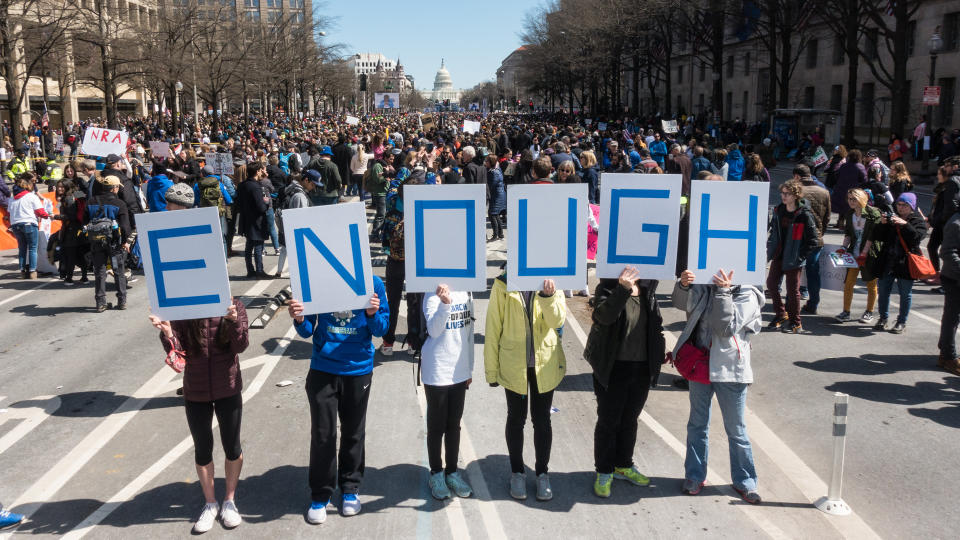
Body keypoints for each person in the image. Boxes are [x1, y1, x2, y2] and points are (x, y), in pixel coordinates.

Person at [287, 276, 389, 523]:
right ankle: (321, 494)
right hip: (323, 368)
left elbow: (382, 329)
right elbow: (306, 330)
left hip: (358, 369)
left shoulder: (373, 284)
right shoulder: (317, 277)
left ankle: (350, 488)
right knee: (323, 434)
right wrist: (299, 317)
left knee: (354, 432)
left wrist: (373, 313)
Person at [151, 296, 249, 533]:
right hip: (195, 390)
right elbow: (178, 356)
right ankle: (210, 503)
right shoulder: (185, 309)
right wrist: (167, 333)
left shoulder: (234, 305)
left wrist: (234, 321)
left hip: (228, 386)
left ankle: (229, 500)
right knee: (202, 449)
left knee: (232, 447)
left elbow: (242, 345)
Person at [672, 267, 764, 504]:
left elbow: (725, 328)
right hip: (700, 366)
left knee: (737, 429)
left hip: (731, 370)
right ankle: (694, 476)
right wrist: (683, 285)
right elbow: (681, 304)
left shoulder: (747, 292)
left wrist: (723, 293)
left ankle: (745, 481)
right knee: (697, 425)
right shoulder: (704, 284)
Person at [583, 266, 664, 498]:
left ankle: (623, 464)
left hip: (641, 368)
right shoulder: (607, 287)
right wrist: (622, 289)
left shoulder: (648, 289)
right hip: (613, 367)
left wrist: (658, 355)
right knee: (609, 421)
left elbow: (655, 326)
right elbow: (603, 316)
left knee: (630, 420)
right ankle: (604, 471)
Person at [484, 273, 566, 502]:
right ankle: (517, 472)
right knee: (516, 418)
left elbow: (558, 321)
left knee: (542, 420)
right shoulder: (502, 283)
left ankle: (542, 473)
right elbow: (492, 329)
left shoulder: (552, 278)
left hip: (544, 364)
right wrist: (491, 370)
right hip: (514, 365)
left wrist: (548, 297)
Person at [422, 283, 475, 500]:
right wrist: (445, 304)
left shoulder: (466, 290)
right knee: (437, 426)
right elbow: (434, 330)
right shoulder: (431, 292)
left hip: (459, 369)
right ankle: (436, 473)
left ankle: (452, 472)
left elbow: (469, 332)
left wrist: (469, 367)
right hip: (437, 368)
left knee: (454, 425)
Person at [765, 179, 818, 333]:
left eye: (787, 194)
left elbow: (812, 240)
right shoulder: (778, 210)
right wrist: (770, 246)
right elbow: (774, 232)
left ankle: (796, 323)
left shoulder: (803, 214)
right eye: (782, 193)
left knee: (793, 291)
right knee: (771, 284)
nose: (783, 196)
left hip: (794, 258)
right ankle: (781, 314)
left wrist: (800, 256)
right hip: (779, 255)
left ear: (795, 195)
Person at [872, 192, 927, 333]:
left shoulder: (918, 221)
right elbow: (878, 236)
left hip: (906, 263)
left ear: (912, 207)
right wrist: (883, 224)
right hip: (888, 261)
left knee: (905, 294)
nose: (901, 208)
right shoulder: (892, 217)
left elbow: (916, 238)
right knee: (883, 291)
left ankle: (902, 321)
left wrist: (905, 224)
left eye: (905, 205)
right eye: (899, 204)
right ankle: (883, 318)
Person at [85, 174, 135, 311]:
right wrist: (125, 242)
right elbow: (125, 227)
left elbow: (84, 222)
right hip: (114, 243)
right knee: (118, 271)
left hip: (96, 242)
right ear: (114, 188)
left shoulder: (91, 202)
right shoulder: (119, 204)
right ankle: (122, 301)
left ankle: (100, 302)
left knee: (100, 272)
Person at [835, 189, 882, 324]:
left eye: (853, 199)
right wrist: (843, 248)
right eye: (849, 199)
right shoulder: (850, 214)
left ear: (861, 198)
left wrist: (864, 253)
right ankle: (846, 311)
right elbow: (848, 233)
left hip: (870, 253)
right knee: (848, 283)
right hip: (854, 253)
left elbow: (872, 236)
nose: (850, 202)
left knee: (871, 284)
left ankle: (869, 312)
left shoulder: (873, 213)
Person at [795, 164, 831, 314]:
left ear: (797, 176)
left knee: (794, 270)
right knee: (813, 271)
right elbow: (827, 217)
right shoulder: (824, 192)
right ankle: (813, 302)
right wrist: (820, 232)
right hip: (816, 237)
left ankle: (792, 303)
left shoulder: (797, 191)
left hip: (797, 237)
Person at [6, 173, 49, 279]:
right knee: (32, 248)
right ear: (27, 186)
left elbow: (8, 213)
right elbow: (40, 212)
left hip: (15, 225)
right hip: (29, 223)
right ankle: (32, 271)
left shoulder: (12, 199)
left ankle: (22, 270)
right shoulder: (31, 196)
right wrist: (48, 215)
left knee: (22, 248)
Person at [236, 162, 271, 279]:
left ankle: (250, 270)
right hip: (257, 220)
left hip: (246, 218)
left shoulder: (242, 185)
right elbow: (260, 207)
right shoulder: (255, 186)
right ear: (257, 171)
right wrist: (266, 203)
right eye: (261, 170)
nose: (262, 172)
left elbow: (238, 203)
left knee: (249, 246)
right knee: (258, 246)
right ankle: (259, 271)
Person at [928, 164, 960, 287]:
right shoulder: (941, 188)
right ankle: (937, 273)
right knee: (934, 247)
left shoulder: (948, 186)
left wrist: (935, 221)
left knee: (941, 249)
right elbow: (936, 207)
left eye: (939, 174)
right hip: (940, 222)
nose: (937, 176)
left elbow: (946, 208)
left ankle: (938, 275)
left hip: (942, 223)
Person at [938, 208, 960, 375]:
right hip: (954, 278)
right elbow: (947, 252)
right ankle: (948, 357)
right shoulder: (956, 223)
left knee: (952, 318)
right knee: (952, 318)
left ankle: (945, 351)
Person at [830, 149, 867, 230]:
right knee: (851, 207)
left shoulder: (844, 166)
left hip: (841, 189)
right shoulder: (860, 166)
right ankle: (849, 225)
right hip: (854, 190)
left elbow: (836, 175)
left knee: (841, 207)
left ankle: (840, 223)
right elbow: (864, 180)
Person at [486, 154, 506, 241]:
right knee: (496, 214)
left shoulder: (493, 172)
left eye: (487, 161)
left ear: (491, 162)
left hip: (496, 195)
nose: (485, 162)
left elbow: (492, 185)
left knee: (492, 214)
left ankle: (495, 235)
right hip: (499, 194)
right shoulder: (497, 170)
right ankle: (500, 234)